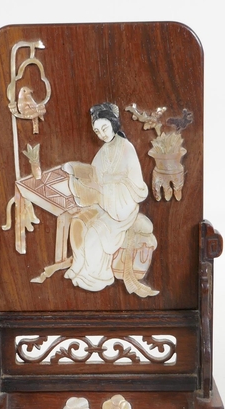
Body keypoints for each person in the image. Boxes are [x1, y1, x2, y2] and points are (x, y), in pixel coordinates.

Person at [61, 102, 151, 292]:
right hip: (104, 200)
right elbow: (94, 174)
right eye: (97, 131)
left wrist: (107, 188)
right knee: (78, 223)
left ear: (113, 123)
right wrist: (76, 171)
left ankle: (96, 276)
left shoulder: (126, 148)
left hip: (122, 204)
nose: (101, 134)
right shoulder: (104, 151)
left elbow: (135, 185)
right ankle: (79, 265)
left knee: (94, 232)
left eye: (104, 128)